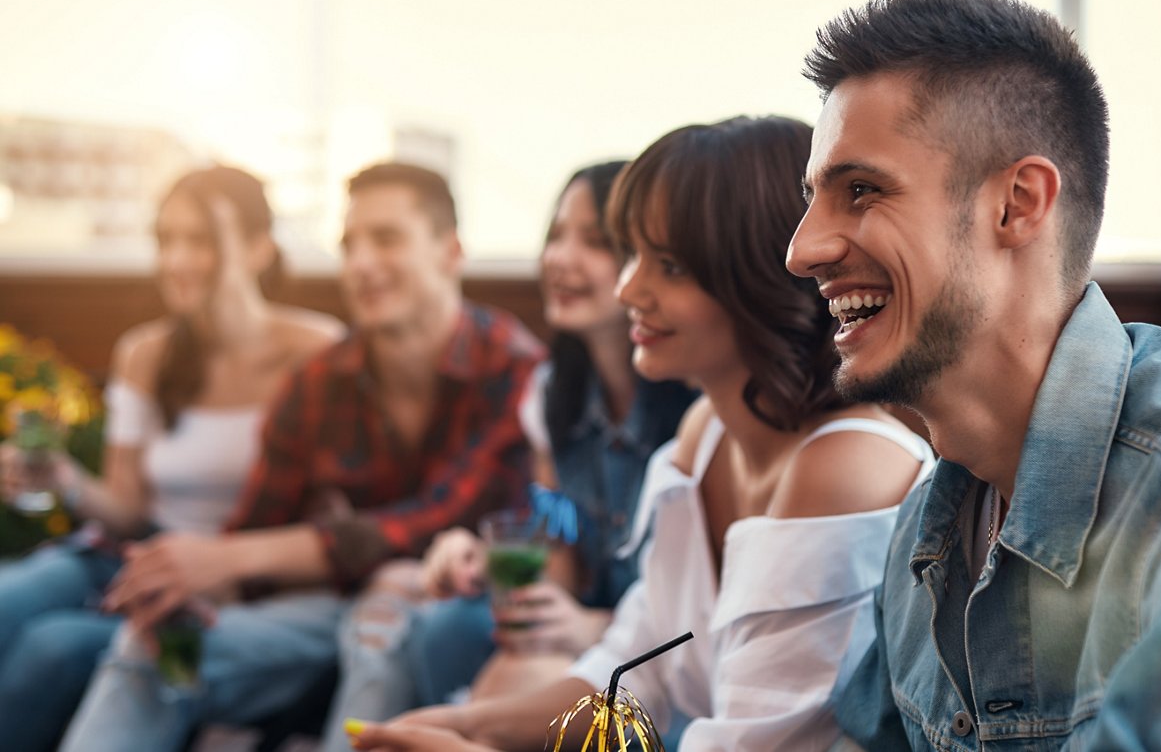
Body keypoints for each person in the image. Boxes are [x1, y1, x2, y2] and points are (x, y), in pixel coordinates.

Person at [784, 0, 1161, 750]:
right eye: (813, 198)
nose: (804, 248)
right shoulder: (926, 530)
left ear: (1018, 205)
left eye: (861, 191)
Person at [346, 115, 934, 751]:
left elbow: (753, 744)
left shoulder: (846, 464)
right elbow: (635, 669)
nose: (629, 288)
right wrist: (460, 724)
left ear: (759, 276)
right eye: (632, 255)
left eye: (670, 267)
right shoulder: (705, 434)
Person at [60, 161, 546, 752]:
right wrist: (186, 589)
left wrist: (231, 557)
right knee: (151, 647)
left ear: (450, 252)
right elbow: (256, 525)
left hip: (442, 615)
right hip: (319, 611)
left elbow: (436, 515)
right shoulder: (319, 381)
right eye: (350, 245)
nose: (361, 265)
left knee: (382, 622)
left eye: (386, 239)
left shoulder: (514, 369)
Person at [319, 161, 696, 752]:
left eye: (595, 243)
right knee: (445, 627)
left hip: (660, 655)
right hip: (593, 635)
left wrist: (588, 629)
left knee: (508, 678)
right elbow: (557, 550)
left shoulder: (697, 404)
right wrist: (481, 557)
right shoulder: (554, 394)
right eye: (555, 235)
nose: (561, 259)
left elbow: (704, 616)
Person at [0, 165, 343, 751]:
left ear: (260, 248)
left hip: (232, 582)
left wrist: (229, 571)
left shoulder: (318, 352)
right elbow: (128, 509)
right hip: (127, 556)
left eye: (201, 240)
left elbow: (336, 518)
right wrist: (63, 480)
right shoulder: (145, 353)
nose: (176, 260)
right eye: (166, 240)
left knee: (52, 648)